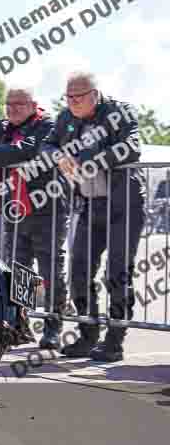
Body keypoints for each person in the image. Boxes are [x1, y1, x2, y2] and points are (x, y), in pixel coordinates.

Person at [41, 72, 145, 362]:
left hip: (124, 205)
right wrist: (58, 156)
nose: (72, 102)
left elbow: (132, 147)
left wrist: (88, 161)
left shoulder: (119, 112)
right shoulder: (65, 118)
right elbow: (47, 144)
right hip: (88, 204)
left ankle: (114, 340)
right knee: (79, 271)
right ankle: (88, 335)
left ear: (95, 94)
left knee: (117, 273)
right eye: (68, 96)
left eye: (79, 96)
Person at [0, 87, 69, 349]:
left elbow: (30, 149)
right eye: (9, 103)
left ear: (33, 104)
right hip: (12, 209)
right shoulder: (0, 127)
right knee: (17, 272)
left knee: (50, 271)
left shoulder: (47, 123)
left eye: (19, 103)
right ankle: (18, 327)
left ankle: (53, 328)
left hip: (47, 208)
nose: (13, 108)